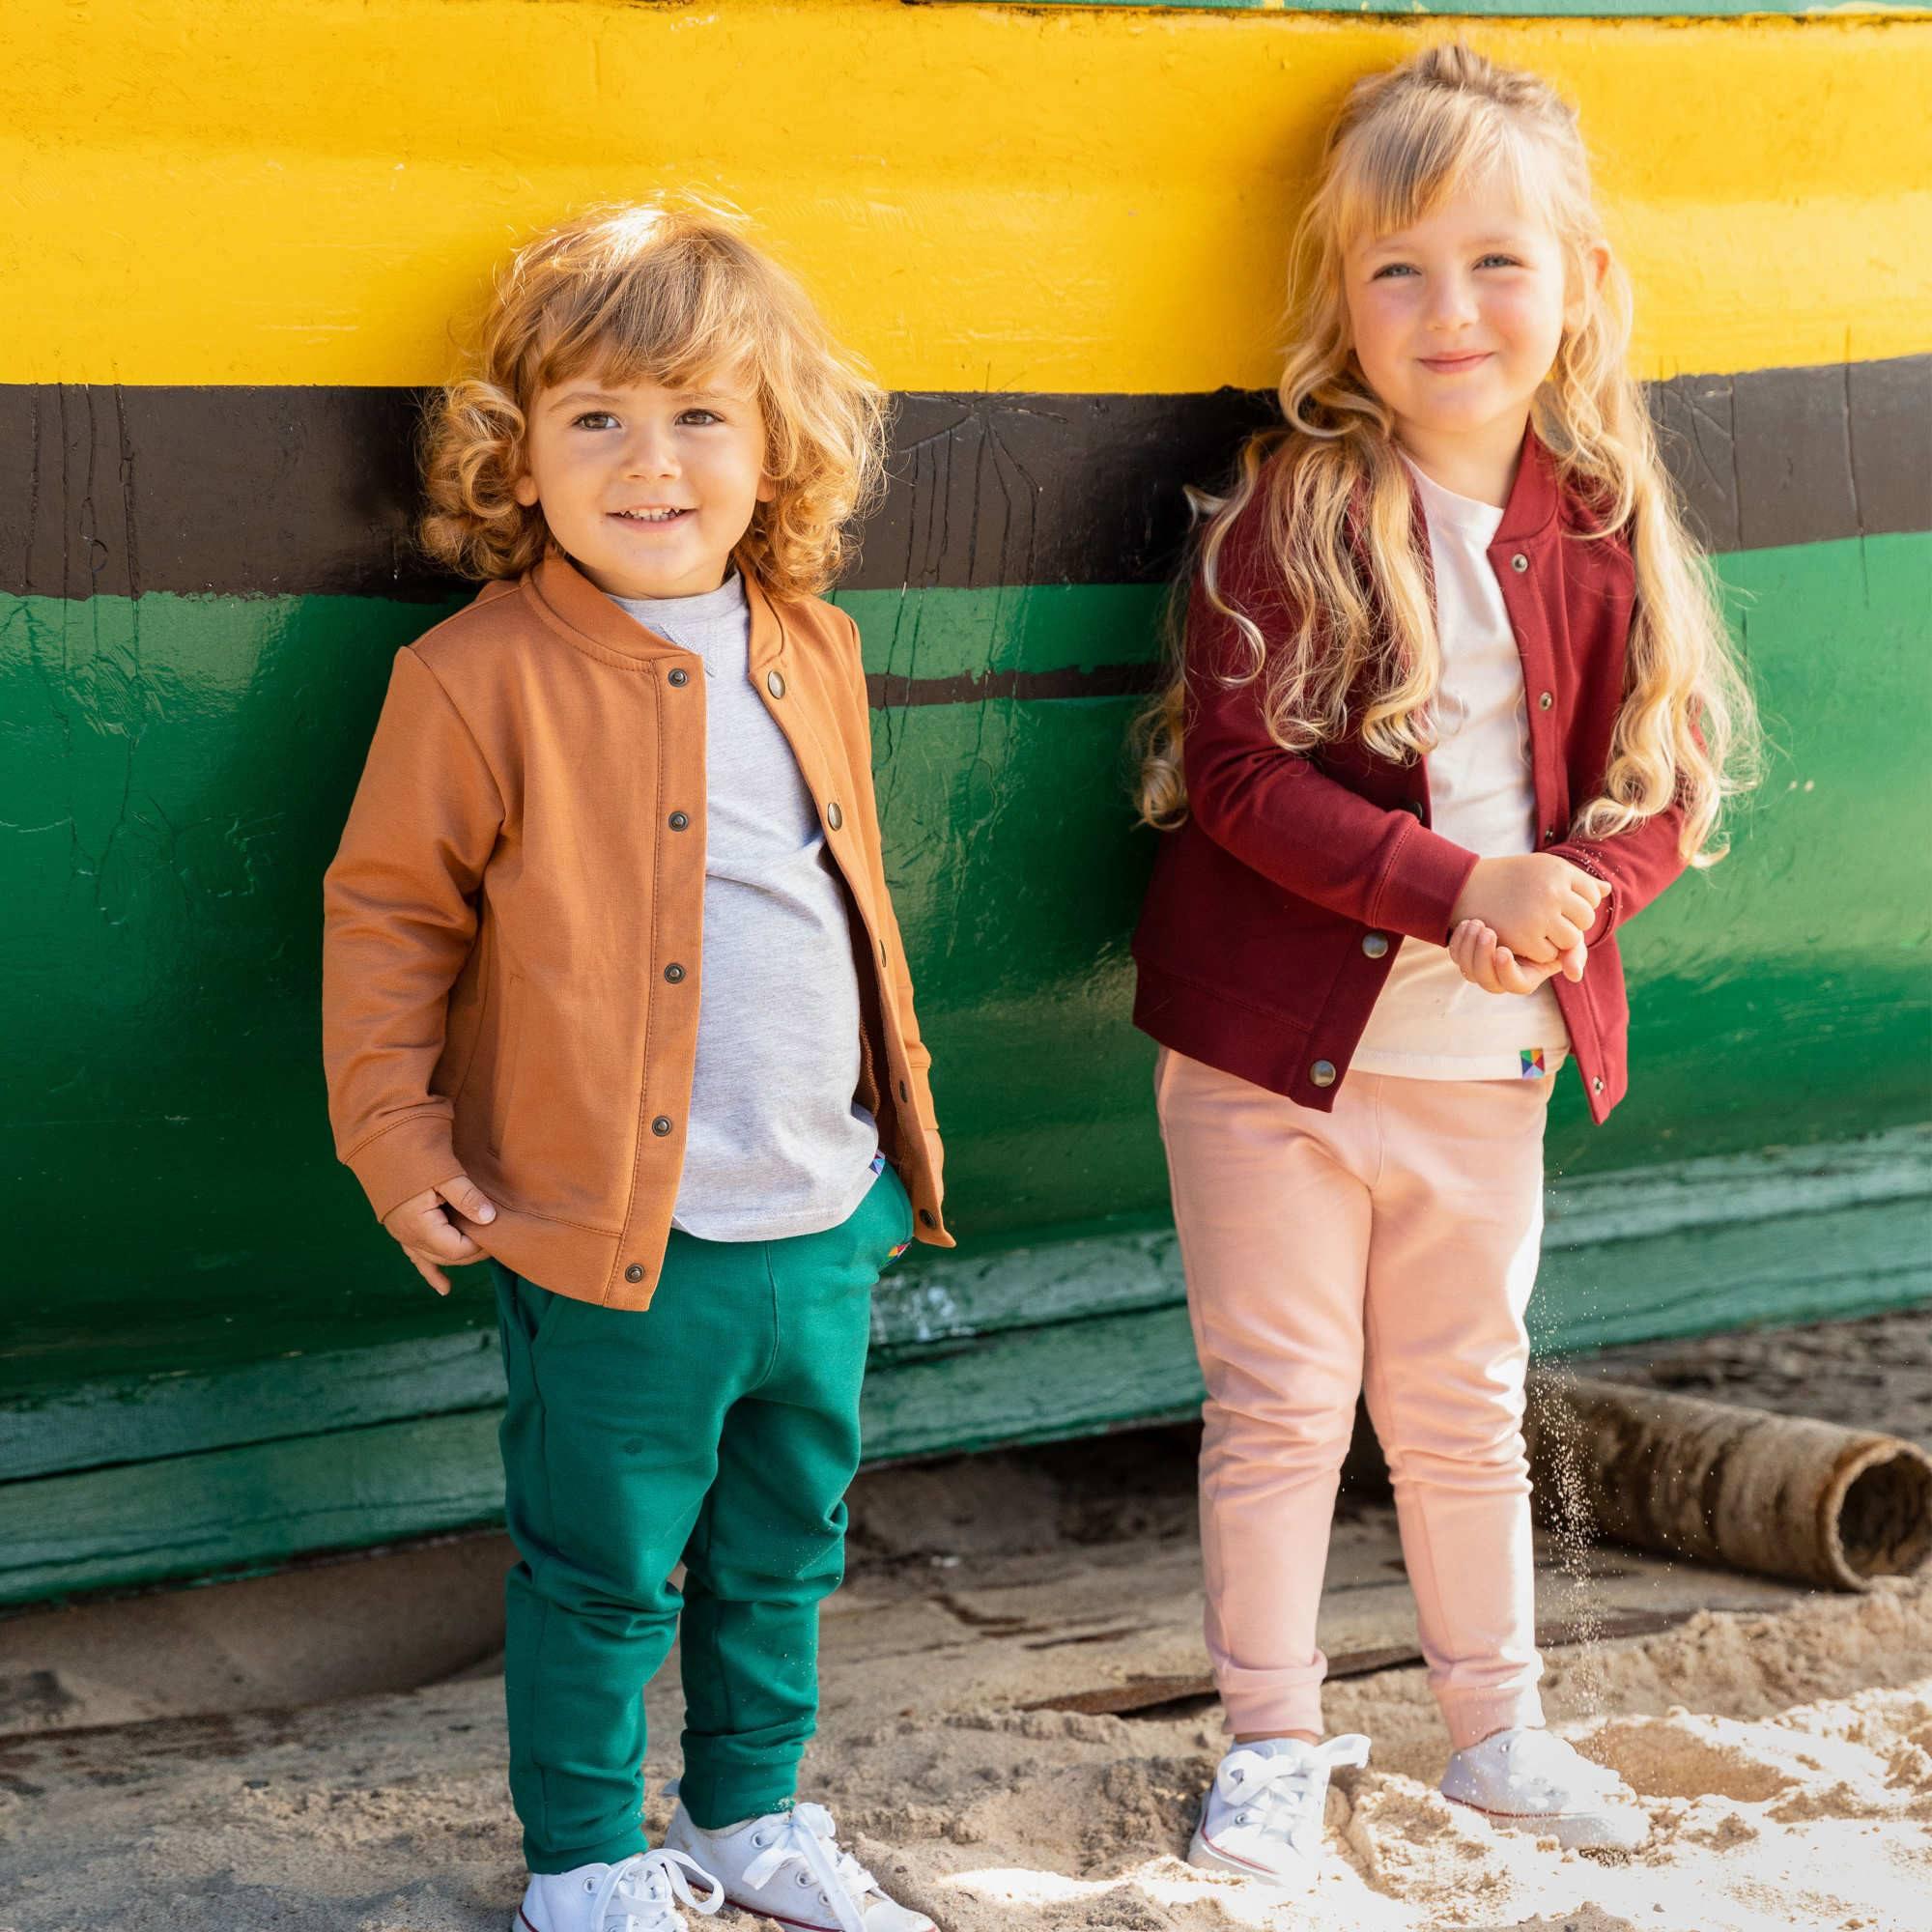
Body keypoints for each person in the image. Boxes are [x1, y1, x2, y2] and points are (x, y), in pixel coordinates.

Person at [1131, 45, 1757, 1888]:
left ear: (1578, 288)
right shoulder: (1299, 510)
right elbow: (1240, 778)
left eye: (1497, 262)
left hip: (1482, 1072)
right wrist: (1456, 880)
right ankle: (1270, 1745)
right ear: (1339, 302)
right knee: (1279, 1409)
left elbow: (1666, 778)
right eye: (1397, 268)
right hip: (1271, 1074)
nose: (1449, 308)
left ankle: (1497, 1732)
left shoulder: (1601, 518)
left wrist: (1574, 890)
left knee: (1464, 1410)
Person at [323, 200, 949, 1932]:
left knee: (781, 1554)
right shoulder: (472, 680)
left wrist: (891, 1165)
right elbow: (385, 921)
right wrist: (395, 1138)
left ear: (774, 449)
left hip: (820, 1217)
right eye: (595, 416)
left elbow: (845, 906)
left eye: (698, 417)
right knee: (601, 1573)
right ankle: (589, 1859)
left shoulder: (809, 643)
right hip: (610, 1238)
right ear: (518, 458)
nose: (648, 460)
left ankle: (752, 1816)